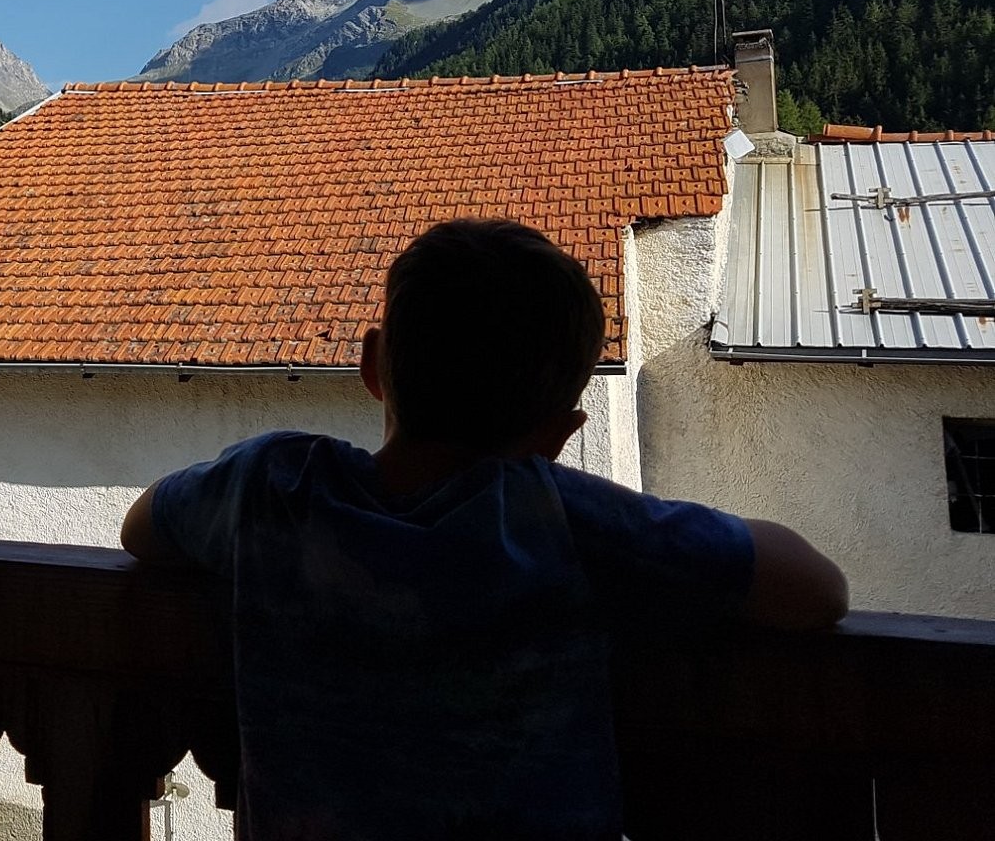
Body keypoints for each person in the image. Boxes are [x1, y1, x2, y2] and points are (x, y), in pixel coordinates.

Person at [121, 217, 846, 841]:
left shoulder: (272, 483)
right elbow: (816, 589)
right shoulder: (562, 520)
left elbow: (142, 529)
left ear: (373, 366)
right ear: (560, 434)